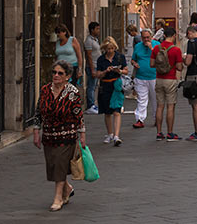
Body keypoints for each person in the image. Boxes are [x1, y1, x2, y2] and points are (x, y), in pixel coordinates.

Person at [32, 60, 85, 212]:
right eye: (54, 72)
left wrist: (82, 135)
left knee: (60, 164)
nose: (56, 75)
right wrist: (36, 132)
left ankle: (57, 198)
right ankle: (67, 189)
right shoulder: (45, 90)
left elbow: (78, 115)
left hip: (66, 135)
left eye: (60, 73)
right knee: (53, 165)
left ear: (67, 76)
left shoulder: (72, 92)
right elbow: (38, 112)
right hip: (49, 135)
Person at [150, 26, 185, 141]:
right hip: (170, 79)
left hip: (159, 79)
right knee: (170, 106)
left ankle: (159, 132)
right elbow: (179, 68)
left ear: (164, 35)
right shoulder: (176, 50)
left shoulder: (156, 48)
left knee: (160, 106)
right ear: (174, 35)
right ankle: (170, 132)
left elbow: (152, 64)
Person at [95, 36, 128, 145]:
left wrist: (120, 71)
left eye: (112, 48)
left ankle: (116, 136)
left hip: (116, 85)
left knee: (117, 111)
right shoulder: (101, 59)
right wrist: (105, 71)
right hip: (105, 85)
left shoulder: (120, 57)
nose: (110, 51)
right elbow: (97, 74)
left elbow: (126, 71)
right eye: (108, 49)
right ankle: (110, 134)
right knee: (107, 112)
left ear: (115, 48)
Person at [130, 28, 157, 128]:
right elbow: (133, 59)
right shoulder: (137, 46)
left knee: (155, 99)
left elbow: (161, 58)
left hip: (154, 76)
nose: (146, 40)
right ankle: (140, 119)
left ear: (151, 37)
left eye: (148, 37)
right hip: (140, 77)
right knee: (141, 99)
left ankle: (156, 119)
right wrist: (134, 63)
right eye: (144, 38)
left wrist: (151, 48)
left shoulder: (157, 45)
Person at [54, 24, 83, 89]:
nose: (58, 35)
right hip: (60, 68)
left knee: (70, 87)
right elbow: (56, 56)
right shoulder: (57, 42)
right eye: (57, 33)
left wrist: (80, 70)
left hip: (71, 68)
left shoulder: (72, 40)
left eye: (59, 32)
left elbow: (79, 55)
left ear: (64, 32)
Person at [83, 21, 102, 114]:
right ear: (92, 29)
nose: (98, 30)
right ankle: (90, 105)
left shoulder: (95, 40)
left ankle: (93, 104)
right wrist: (92, 69)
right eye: (97, 29)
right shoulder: (89, 41)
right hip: (92, 66)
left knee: (94, 86)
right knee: (91, 86)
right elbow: (89, 56)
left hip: (97, 66)